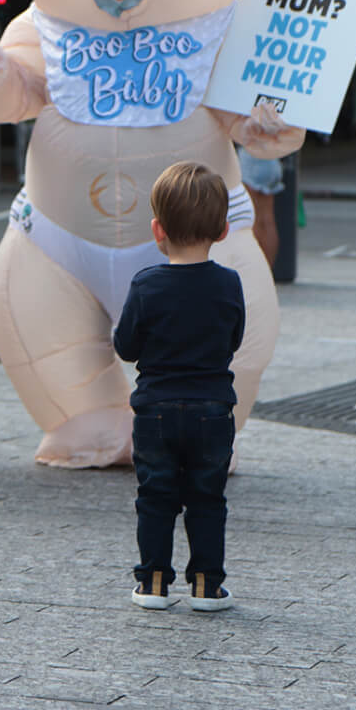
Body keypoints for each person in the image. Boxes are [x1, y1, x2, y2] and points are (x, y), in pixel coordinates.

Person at [113, 161, 245, 613]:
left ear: (157, 229)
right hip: (213, 410)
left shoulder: (146, 285)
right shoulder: (228, 284)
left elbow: (126, 347)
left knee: (155, 496)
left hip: (155, 410)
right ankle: (207, 585)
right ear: (223, 230)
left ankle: (153, 582)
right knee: (207, 498)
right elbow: (234, 340)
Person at [235, 144, 283, 271]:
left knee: (253, 219)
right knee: (268, 219)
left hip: (251, 157)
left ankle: (256, 270)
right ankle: (267, 270)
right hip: (271, 158)